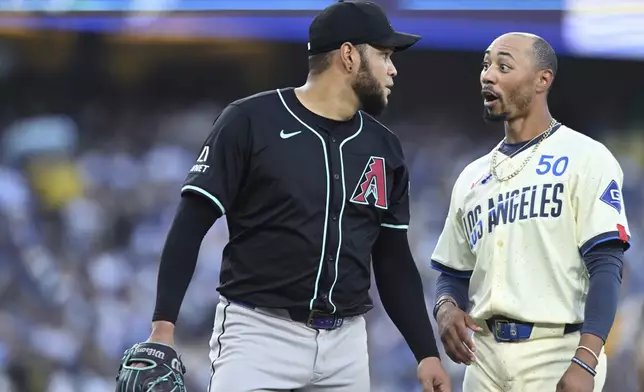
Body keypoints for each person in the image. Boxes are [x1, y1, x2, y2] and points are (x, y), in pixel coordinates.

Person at [114, 1, 451, 392]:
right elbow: (190, 225)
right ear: (347, 55)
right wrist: (163, 327)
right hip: (258, 334)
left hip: (346, 346)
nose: (392, 69)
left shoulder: (384, 146)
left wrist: (425, 352)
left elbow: (392, 258)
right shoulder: (251, 121)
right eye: (384, 55)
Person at [430, 32, 631, 392]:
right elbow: (453, 273)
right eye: (486, 65)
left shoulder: (586, 156)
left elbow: (607, 265)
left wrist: (586, 359)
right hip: (484, 358)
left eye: (503, 66)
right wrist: (445, 307)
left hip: (558, 349)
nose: (488, 75)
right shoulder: (471, 175)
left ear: (543, 79)